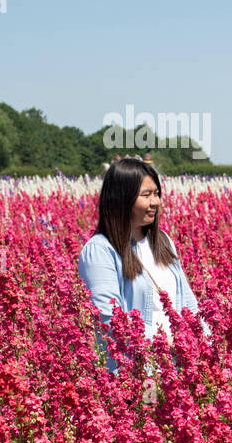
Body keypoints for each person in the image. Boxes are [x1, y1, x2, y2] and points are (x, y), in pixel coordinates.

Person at [77, 158, 208, 373]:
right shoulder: (101, 250)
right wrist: (163, 343)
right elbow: (108, 317)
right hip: (138, 373)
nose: (155, 202)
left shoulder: (163, 241)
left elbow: (188, 303)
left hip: (179, 368)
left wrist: (208, 346)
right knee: (148, 406)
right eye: (146, 195)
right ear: (121, 198)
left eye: (156, 194)